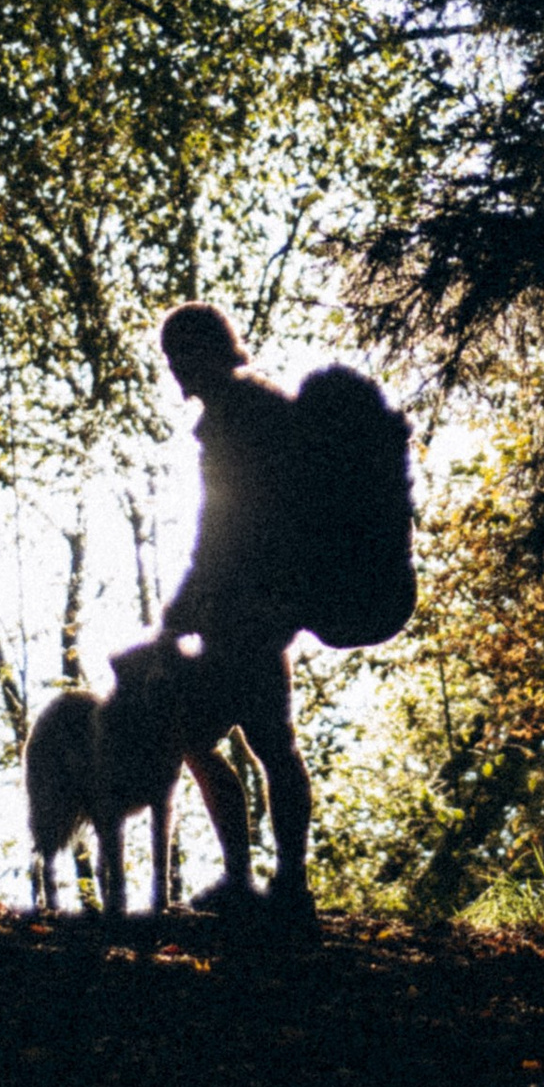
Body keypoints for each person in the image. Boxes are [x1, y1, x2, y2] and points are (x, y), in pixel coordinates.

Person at [157, 300, 315, 919]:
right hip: (271, 607)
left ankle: (246, 882)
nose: (175, 371)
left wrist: (181, 609)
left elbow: (220, 527)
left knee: (194, 735)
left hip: (242, 611)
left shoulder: (233, 417)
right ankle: (288, 886)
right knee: (272, 744)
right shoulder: (262, 403)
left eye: (178, 357)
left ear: (204, 352)